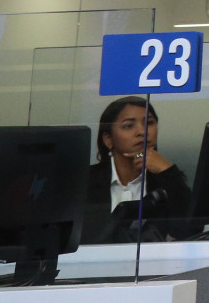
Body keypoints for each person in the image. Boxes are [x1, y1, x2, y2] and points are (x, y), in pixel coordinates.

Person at [81, 96, 191, 245]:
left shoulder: (167, 182)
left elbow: (191, 231)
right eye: (128, 126)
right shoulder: (83, 182)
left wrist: (167, 172)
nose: (142, 131)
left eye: (149, 123)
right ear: (108, 139)